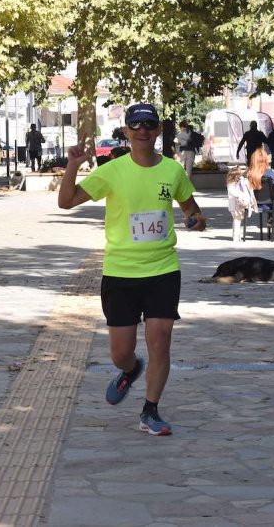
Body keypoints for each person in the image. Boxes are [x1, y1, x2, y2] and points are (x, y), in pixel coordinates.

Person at [57, 103, 206, 437]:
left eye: (149, 125)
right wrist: (72, 166)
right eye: (135, 125)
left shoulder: (172, 171)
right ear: (125, 131)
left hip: (163, 268)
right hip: (121, 272)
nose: (142, 130)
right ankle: (130, 369)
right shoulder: (112, 171)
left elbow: (190, 207)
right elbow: (65, 202)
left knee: (160, 341)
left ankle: (150, 410)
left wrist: (196, 219)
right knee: (120, 352)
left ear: (157, 131)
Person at [248, 147, 274, 237]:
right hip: (272, 204)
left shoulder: (250, 175)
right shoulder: (271, 173)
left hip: (256, 204)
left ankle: (271, 216)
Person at [226, 166, 256, 243]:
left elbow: (250, 190)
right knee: (237, 220)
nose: (240, 177)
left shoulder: (243, 181)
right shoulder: (231, 184)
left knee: (237, 219)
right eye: (238, 175)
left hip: (242, 203)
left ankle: (235, 235)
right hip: (235, 205)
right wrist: (240, 196)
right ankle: (236, 236)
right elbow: (233, 193)